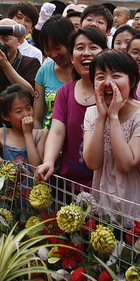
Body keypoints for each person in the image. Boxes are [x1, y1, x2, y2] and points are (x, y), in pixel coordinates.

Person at [83, 50, 140, 229]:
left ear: (132, 81)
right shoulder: (92, 113)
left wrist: (113, 117)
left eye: (116, 75)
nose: (107, 83)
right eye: (100, 76)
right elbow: (92, 162)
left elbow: (126, 163)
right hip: (106, 208)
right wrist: (101, 118)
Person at [34, 27, 108, 191]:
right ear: (72, 57)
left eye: (93, 47)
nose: (86, 53)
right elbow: (57, 131)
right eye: (80, 48)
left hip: (107, 185)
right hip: (71, 184)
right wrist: (49, 161)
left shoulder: (114, 91)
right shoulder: (65, 92)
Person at [33, 16, 75, 131]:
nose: (53, 54)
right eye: (47, 49)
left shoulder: (83, 71)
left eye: (57, 48)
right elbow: (37, 118)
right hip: (49, 141)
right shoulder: (44, 71)